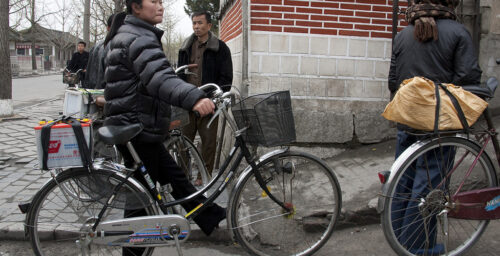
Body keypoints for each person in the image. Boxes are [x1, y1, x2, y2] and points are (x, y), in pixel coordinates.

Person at [103, 1, 226, 254]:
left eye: (161, 2)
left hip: (138, 125)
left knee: (175, 177)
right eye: (154, 2)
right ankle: (134, 251)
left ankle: (210, 217)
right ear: (136, 7)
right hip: (135, 128)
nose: (160, 7)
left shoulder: (136, 33)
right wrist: (194, 98)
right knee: (140, 204)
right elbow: (160, 78)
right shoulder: (138, 38)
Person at [388, 0, 482, 254]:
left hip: (407, 119)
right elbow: (468, 79)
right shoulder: (458, 31)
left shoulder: (402, 35)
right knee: (429, 186)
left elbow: (393, 81)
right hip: (439, 123)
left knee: (402, 182)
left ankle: (398, 237)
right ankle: (416, 247)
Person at [178, 11, 233, 185]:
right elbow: (179, 75)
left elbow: (226, 78)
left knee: (208, 142)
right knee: (182, 142)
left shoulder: (220, 48)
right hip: (187, 103)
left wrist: (215, 99)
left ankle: (204, 175)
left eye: (200, 23)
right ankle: (184, 176)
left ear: (209, 25)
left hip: (209, 103)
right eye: (194, 23)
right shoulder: (185, 47)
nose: (196, 26)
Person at [82, 14, 114, 89]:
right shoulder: (114, 46)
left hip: (94, 91)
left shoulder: (97, 45)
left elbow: (88, 73)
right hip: (107, 93)